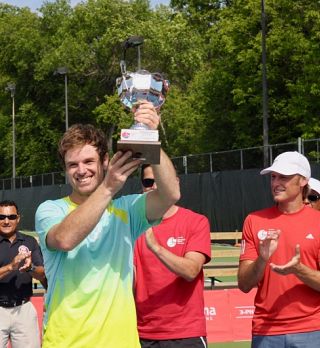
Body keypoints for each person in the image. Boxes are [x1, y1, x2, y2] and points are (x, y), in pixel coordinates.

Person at [35, 101, 180, 348]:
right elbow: (65, 239)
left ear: (104, 161)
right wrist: (109, 186)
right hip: (67, 342)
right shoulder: (50, 209)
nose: (81, 170)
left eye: (88, 162)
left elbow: (171, 195)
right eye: (73, 164)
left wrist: (150, 140)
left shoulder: (127, 210)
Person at [238, 151, 320, 348]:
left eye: (284, 176)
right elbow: (244, 284)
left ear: (302, 181)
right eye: (273, 177)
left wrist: (298, 269)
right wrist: (262, 259)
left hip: (311, 331)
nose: (276, 183)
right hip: (265, 331)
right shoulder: (254, 220)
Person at [134, 164, 211, 348]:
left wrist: (156, 248)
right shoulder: (133, 226)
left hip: (185, 334)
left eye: (159, 180)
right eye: (148, 182)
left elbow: (191, 270)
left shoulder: (195, 221)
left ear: (175, 183)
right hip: (142, 334)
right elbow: (131, 280)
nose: (153, 186)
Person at [0, 200, 46, 348]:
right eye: (2, 217)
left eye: (11, 217)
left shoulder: (30, 242)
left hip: (23, 310)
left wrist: (29, 268)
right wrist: (10, 267)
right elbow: (10, 267)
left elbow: (42, 273)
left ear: (18, 218)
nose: (6, 221)